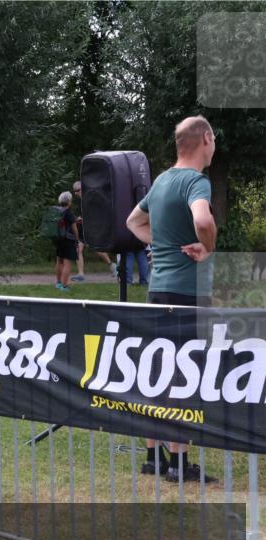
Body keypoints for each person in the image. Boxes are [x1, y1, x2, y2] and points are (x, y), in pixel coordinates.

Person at [126, 115, 217, 483]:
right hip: (187, 292)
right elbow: (204, 222)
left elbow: (133, 222)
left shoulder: (162, 180)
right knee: (184, 376)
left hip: (158, 290)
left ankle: (153, 457)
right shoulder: (196, 182)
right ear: (205, 139)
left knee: (158, 374)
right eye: (214, 140)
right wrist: (208, 247)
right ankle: (179, 462)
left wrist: (161, 243)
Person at [71, 180, 118, 281]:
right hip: (83, 230)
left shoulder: (91, 198)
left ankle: (112, 266)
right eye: (74, 191)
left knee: (97, 251)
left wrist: (83, 219)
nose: (75, 193)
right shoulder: (81, 201)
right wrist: (79, 219)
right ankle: (81, 274)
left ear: (82, 189)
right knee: (78, 249)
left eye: (77, 190)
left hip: (92, 229)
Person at [52, 191, 80, 291]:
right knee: (67, 263)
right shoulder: (69, 213)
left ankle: (58, 283)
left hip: (59, 239)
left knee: (59, 261)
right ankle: (64, 286)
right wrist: (77, 239)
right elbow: (74, 229)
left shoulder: (57, 211)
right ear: (69, 201)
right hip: (68, 240)